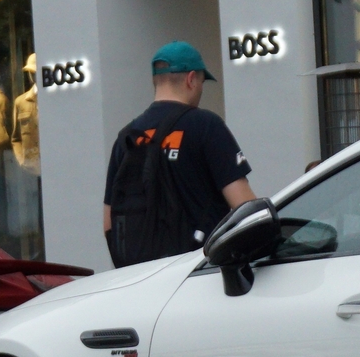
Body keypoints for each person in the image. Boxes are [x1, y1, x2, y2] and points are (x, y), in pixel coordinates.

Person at [102, 41, 259, 268]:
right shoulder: (206, 125)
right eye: (202, 82)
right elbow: (245, 207)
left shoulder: (127, 137)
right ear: (191, 79)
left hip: (142, 279)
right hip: (200, 274)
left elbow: (109, 223)